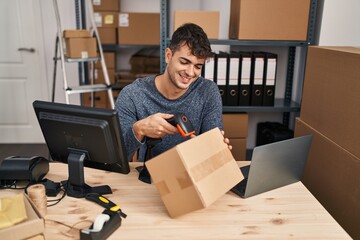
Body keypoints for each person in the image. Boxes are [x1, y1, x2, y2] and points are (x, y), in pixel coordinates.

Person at [115, 23, 231, 161]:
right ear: (169, 55)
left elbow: (213, 152)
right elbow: (118, 159)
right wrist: (138, 130)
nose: (190, 72)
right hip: (148, 176)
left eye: (198, 66)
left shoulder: (208, 92)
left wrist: (217, 150)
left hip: (192, 174)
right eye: (184, 62)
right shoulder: (133, 94)